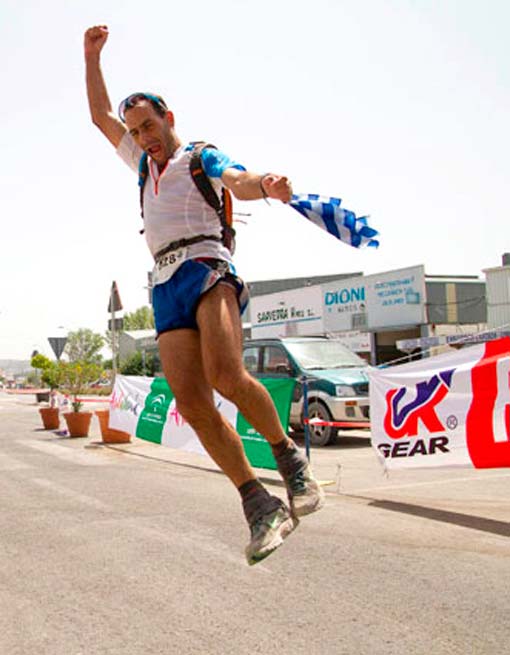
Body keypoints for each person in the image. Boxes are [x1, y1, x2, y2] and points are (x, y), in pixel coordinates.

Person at [84, 25, 325, 565]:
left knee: (225, 374)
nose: (143, 135)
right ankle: (259, 505)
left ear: (169, 119)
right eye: (136, 130)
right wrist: (91, 57)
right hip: (165, 283)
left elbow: (235, 178)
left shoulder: (198, 156)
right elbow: (100, 117)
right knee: (192, 403)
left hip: (208, 265)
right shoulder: (143, 165)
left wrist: (265, 184)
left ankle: (291, 462)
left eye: (149, 124)